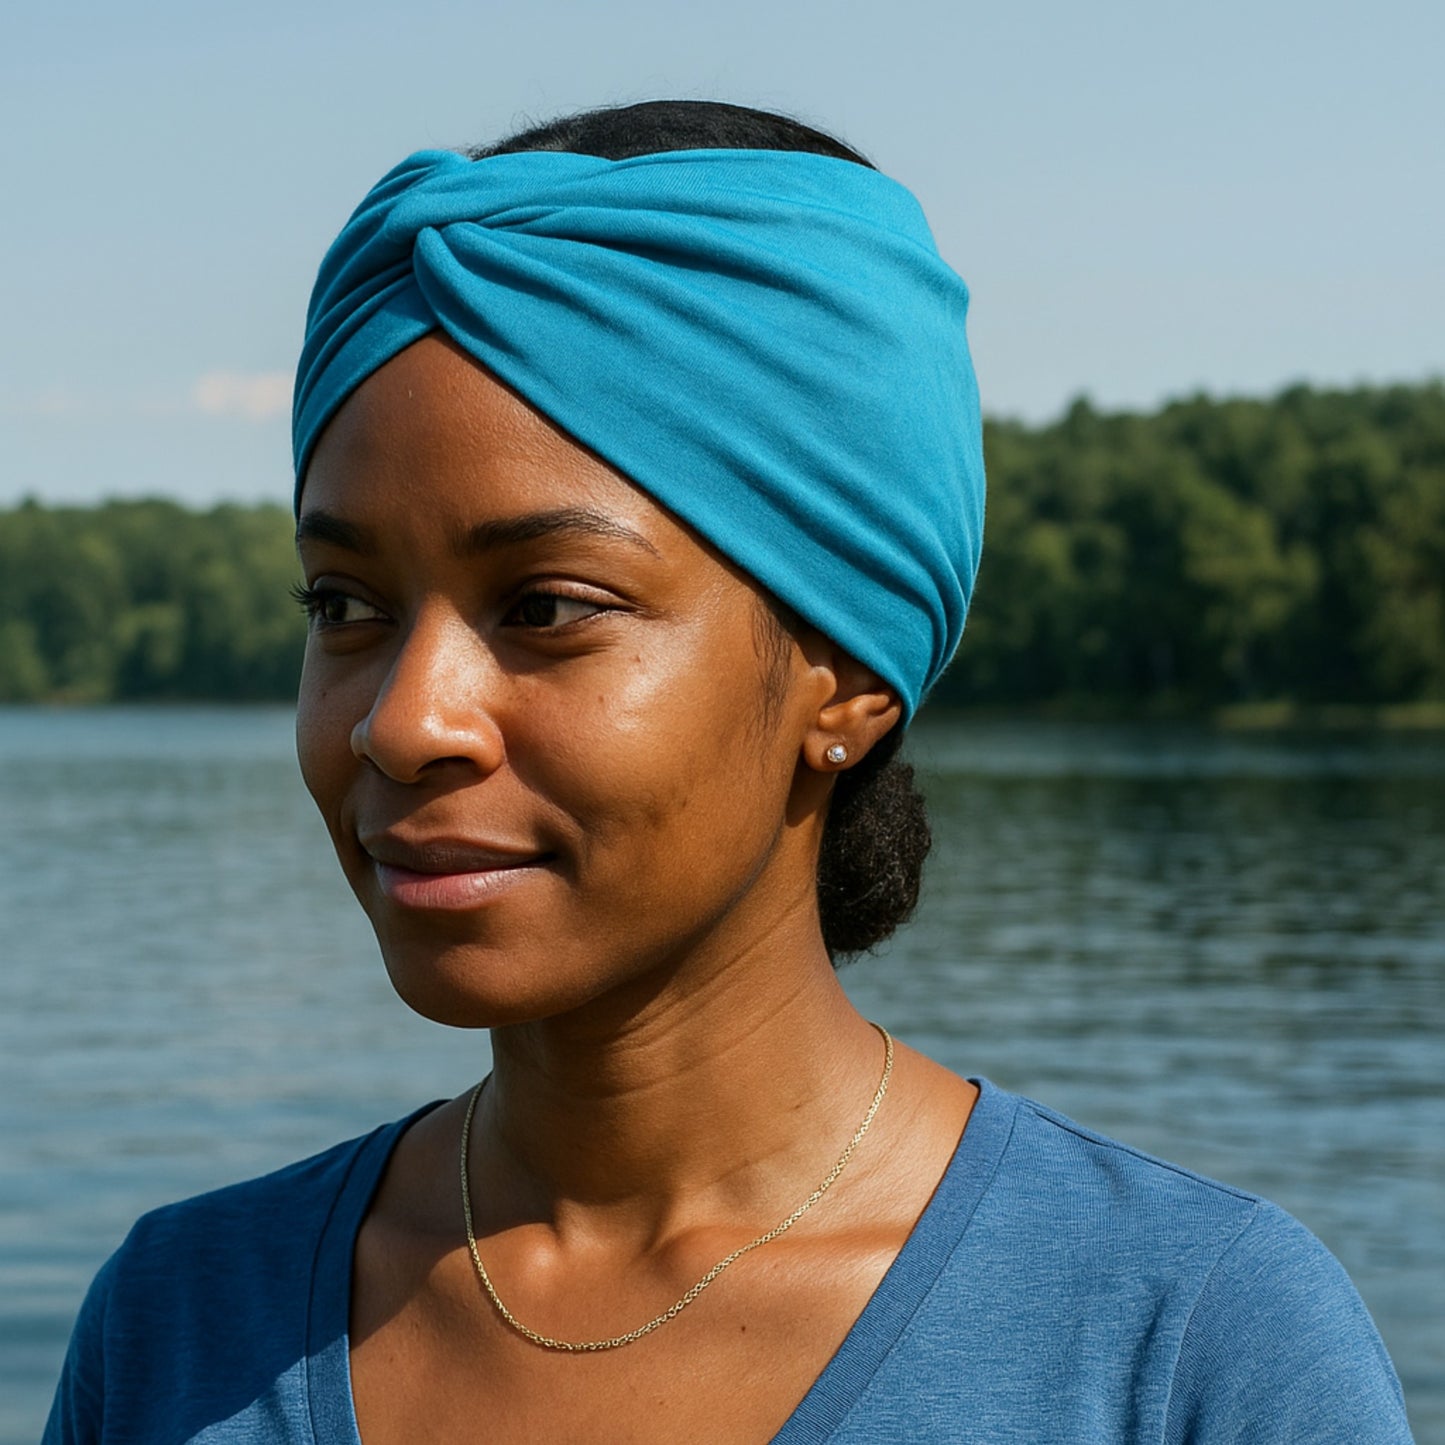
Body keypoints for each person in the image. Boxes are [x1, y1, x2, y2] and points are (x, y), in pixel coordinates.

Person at [44, 100, 1412, 1444]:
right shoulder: (178, 1323)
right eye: (344, 604)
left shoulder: (1190, 1347)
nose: (403, 723)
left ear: (845, 676)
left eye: (546, 606)